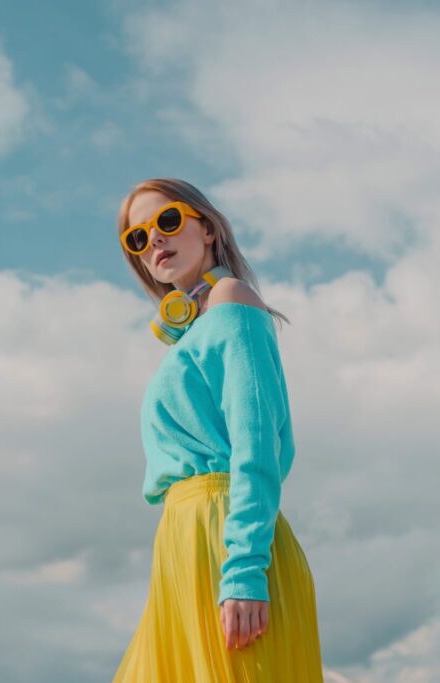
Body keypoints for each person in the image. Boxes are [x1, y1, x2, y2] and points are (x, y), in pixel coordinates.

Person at [112, 178, 324, 681]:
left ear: (206, 229)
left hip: (225, 537)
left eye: (166, 221)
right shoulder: (195, 328)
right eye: (137, 238)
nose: (154, 241)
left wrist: (245, 572)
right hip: (182, 547)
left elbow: (256, 443)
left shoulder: (231, 299)